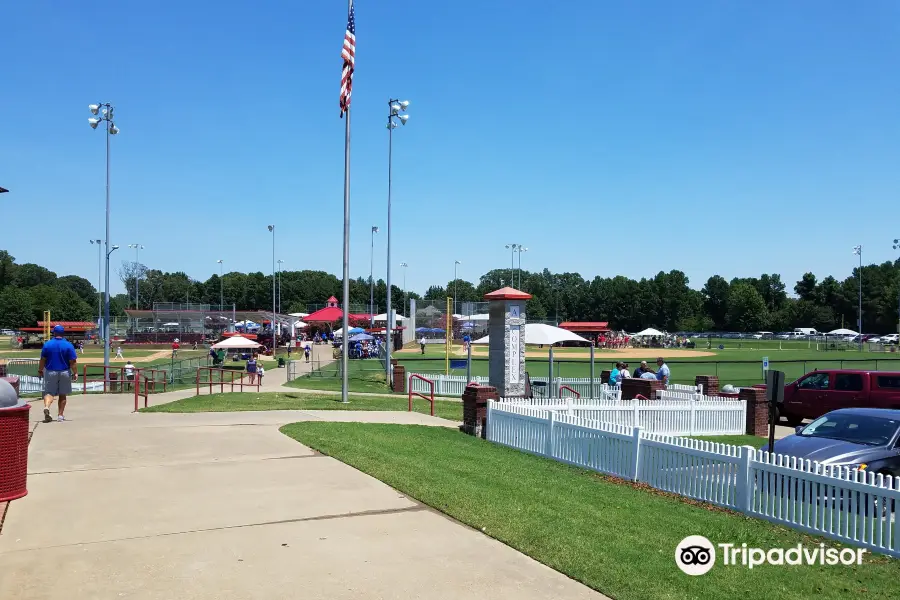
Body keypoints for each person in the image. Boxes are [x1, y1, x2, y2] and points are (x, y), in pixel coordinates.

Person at [38, 325, 78, 423]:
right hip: (64, 371)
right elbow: (72, 361)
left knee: (49, 392)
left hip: (50, 371)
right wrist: (75, 373)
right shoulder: (68, 345)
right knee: (62, 394)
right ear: (63, 333)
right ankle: (60, 415)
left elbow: (43, 359)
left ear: (54, 333)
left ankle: (47, 406)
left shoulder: (47, 344)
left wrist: (40, 370)